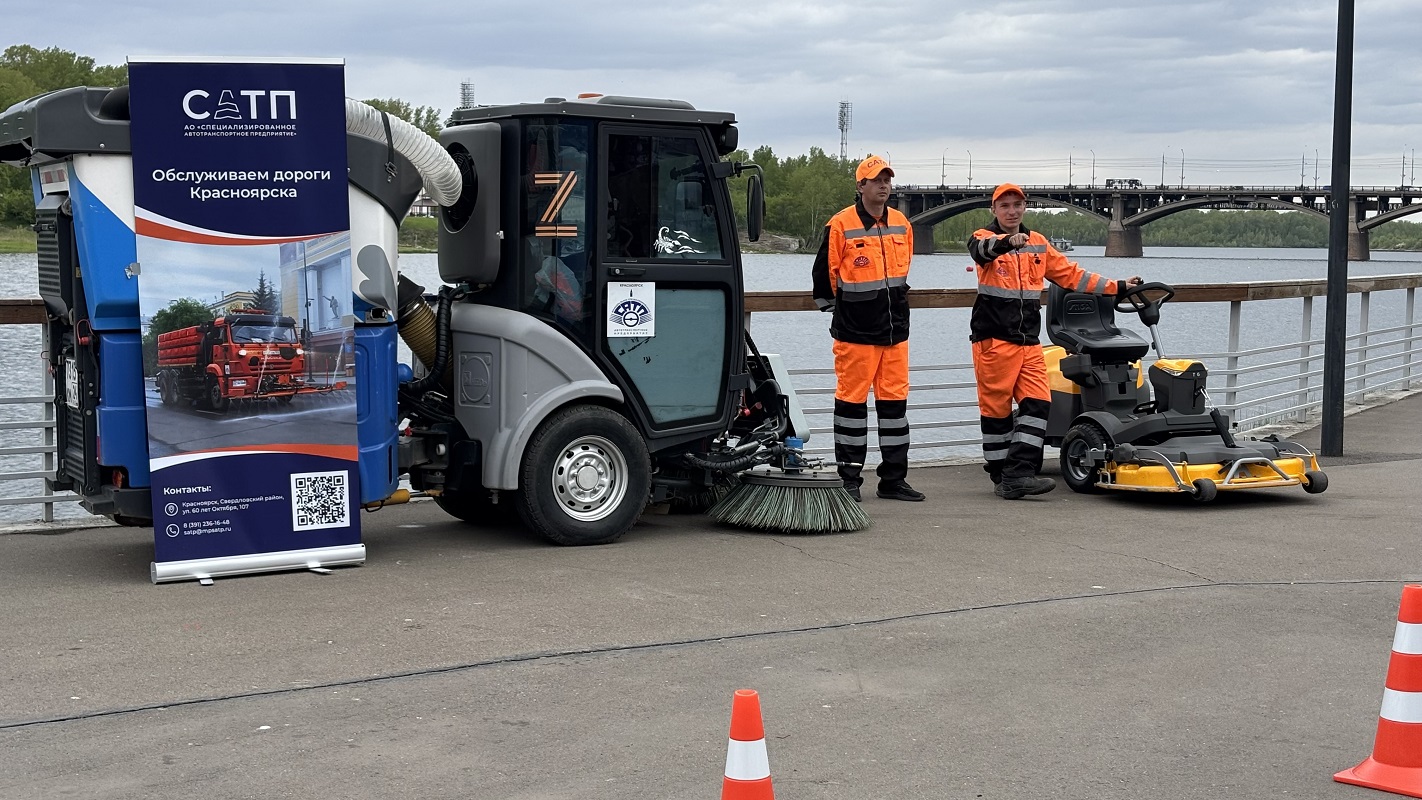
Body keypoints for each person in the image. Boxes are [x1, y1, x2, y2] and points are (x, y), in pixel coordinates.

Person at [968, 182, 1142, 499]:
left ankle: (1019, 473)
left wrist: (1117, 286)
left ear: (1024, 207)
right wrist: (1007, 242)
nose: (1011, 211)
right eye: (1004, 205)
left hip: (1028, 341)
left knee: (1039, 403)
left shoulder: (1038, 243)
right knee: (996, 412)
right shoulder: (983, 236)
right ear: (994, 210)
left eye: (1017, 205)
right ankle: (1001, 475)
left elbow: (1072, 275)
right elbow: (982, 251)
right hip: (993, 340)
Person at [810, 155, 924, 503]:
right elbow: (823, 276)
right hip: (856, 333)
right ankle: (849, 479)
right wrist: (843, 312)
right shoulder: (841, 224)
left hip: (895, 331)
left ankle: (893, 480)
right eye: (876, 180)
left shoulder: (902, 223)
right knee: (851, 407)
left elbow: (902, 273)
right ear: (861, 185)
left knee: (895, 409)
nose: (883, 185)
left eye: (887, 179)